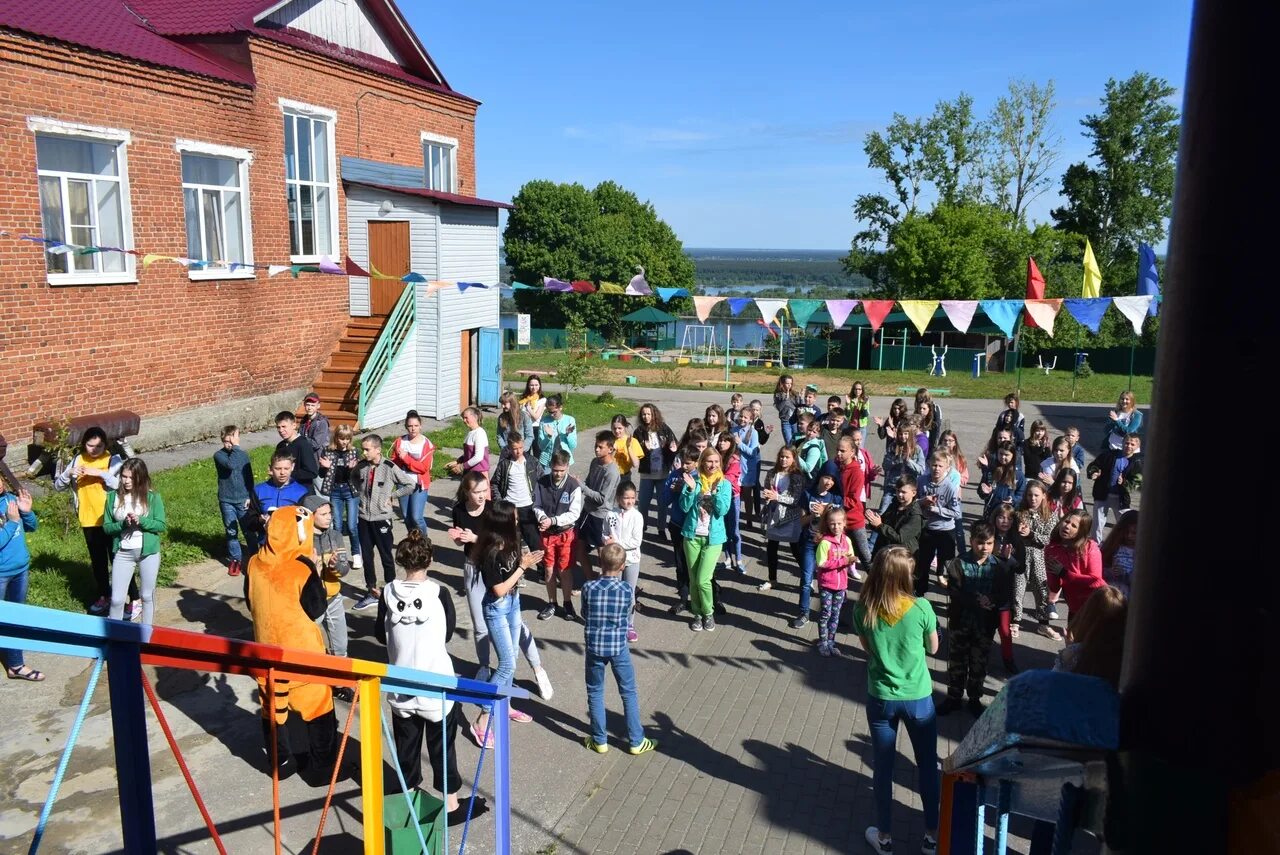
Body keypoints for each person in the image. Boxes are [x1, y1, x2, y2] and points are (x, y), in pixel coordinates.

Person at [376, 530, 486, 823]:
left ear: (400, 559)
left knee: (407, 748)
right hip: (436, 686)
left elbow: (378, 633)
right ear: (431, 559)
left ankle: (409, 802)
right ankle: (450, 806)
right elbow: (447, 632)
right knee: (441, 748)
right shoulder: (439, 593)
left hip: (401, 687)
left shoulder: (387, 593)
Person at [855, 546, 940, 855]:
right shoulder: (922, 608)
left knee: (883, 768)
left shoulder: (863, 608)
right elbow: (933, 649)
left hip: (881, 698)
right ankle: (932, 835)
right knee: (928, 766)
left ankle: (886, 837)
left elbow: (868, 648)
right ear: (907, 575)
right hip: (918, 697)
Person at [249, 505, 336, 783]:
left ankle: (281, 763)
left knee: (273, 709)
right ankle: (321, 769)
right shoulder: (301, 568)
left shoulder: (253, 563)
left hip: (266, 656)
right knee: (319, 708)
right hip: (302, 656)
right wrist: (322, 572)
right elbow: (317, 611)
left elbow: (251, 602)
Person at [449, 472, 554, 699]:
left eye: (485, 491)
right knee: (480, 626)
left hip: (496, 566)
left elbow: (499, 543)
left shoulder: (493, 510)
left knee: (517, 625)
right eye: (477, 492)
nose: (482, 496)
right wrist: (459, 538)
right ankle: (485, 667)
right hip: (474, 568)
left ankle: (538, 668)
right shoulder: (458, 510)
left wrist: (475, 539)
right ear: (467, 491)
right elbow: (466, 541)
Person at [469, 500, 542, 742]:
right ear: (503, 522)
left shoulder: (513, 538)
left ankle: (505, 704)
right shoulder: (490, 551)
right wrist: (523, 567)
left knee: (513, 656)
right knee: (506, 664)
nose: (518, 520)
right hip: (497, 608)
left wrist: (527, 559)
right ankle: (483, 718)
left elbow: (512, 572)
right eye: (514, 517)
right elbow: (499, 589)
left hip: (514, 602)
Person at [581, 542, 658, 756]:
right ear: (623, 566)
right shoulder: (626, 590)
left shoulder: (588, 587)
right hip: (618, 647)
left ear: (599, 562)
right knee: (628, 692)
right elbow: (626, 614)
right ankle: (636, 740)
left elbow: (585, 613)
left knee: (595, 691)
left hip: (594, 646)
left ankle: (599, 740)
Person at [54, 427, 135, 615]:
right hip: (88, 519)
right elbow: (58, 486)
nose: (94, 450)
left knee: (119, 559)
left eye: (98, 446)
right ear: (84, 444)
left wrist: (99, 473)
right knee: (98, 562)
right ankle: (104, 596)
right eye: (90, 446)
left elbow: (120, 484)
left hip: (110, 519)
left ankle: (131, 598)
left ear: (105, 445)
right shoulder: (77, 460)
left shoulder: (111, 460)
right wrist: (68, 474)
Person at [939, 521, 1013, 717]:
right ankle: (954, 697)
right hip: (960, 622)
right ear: (971, 541)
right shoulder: (958, 563)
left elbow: (1004, 593)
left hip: (984, 626)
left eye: (989, 543)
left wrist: (992, 599)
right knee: (957, 662)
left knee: (979, 663)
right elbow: (955, 591)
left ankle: (974, 698)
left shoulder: (999, 566)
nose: (985, 548)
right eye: (980, 543)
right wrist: (976, 601)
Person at [351, 434, 417, 611]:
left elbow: (410, 484)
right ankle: (371, 591)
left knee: (386, 556)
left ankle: (390, 591)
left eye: (367, 449)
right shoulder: (361, 466)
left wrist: (392, 496)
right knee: (367, 556)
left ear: (378, 450)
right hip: (364, 518)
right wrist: (360, 494)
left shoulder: (389, 467)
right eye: (363, 449)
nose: (364, 452)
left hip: (382, 519)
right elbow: (354, 478)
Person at [102, 458, 166, 625]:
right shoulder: (111, 498)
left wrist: (141, 521)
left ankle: (146, 633)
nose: (127, 481)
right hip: (123, 552)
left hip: (148, 553)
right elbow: (107, 528)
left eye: (131, 477)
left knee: (146, 595)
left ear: (141, 477)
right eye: (124, 476)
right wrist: (123, 524)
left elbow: (161, 525)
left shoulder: (152, 497)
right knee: (116, 599)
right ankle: (115, 635)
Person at [302, 494, 351, 691]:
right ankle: (309, 685)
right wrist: (311, 567)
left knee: (340, 645)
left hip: (333, 598)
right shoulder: (301, 540)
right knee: (308, 645)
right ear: (311, 516)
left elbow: (345, 569)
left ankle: (340, 685)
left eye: (330, 513)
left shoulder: (335, 536)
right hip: (311, 602)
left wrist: (335, 566)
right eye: (323, 514)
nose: (329, 517)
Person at [680, 446, 732, 632]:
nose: (713, 465)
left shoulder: (724, 484)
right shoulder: (694, 480)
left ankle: (708, 612)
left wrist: (715, 492)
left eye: (716, 462)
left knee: (703, 579)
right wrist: (691, 489)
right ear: (702, 462)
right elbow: (684, 507)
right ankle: (697, 613)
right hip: (692, 536)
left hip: (713, 539)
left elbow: (723, 510)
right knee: (693, 580)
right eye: (709, 461)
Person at [533, 451, 583, 622]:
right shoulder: (541, 483)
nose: (558, 474)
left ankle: (567, 602)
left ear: (567, 467)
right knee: (548, 570)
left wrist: (553, 520)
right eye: (555, 470)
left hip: (565, 534)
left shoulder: (573, 485)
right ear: (550, 467)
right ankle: (552, 602)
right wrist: (541, 517)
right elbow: (537, 505)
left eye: (562, 470)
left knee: (565, 570)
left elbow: (574, 513)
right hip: (547, 535)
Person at [1, 485, 42, 681]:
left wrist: (27, 513)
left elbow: (32, 527)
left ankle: (15, 665)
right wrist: (12, 522)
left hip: (20, 570)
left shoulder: (11, 500)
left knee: (15, 618)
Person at [1053, 585, 1127, 689]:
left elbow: (1054, 685)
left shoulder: (1076, 654)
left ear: (1087, 614)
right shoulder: (1128, 656)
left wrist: (1070, 649)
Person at [793, 470, 839, 629]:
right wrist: (813, 515)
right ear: (819, 477)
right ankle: (804, 613)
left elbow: (838, 524)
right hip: (809, 544)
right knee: (806, 580)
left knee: (828, 583)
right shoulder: (807, 494)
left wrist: (826, 512)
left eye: (833, 480)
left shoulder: (835, 498)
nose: (829, 482)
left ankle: (832, 614)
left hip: (827, 546)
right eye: (827, 477)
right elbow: (801, 522)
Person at [759, 446, 807, 592]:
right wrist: (767, 497)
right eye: (781, 456)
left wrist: (777, 497)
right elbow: (768, 490)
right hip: (775, 516)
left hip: (790, 517)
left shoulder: (797, 476)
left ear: (793, 459)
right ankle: (772, 579)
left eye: (787, 457)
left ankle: (807, 579)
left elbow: (796, 499)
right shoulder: (772, 473)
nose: (783, 459)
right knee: (772, 548)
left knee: (796, 550)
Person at [1045, 509, 1105, 626]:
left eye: (1074, 526)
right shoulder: (1052, 548)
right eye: (1066, 521)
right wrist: (1053, 574)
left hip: (1094, 606)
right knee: (1072, 642)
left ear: (1081, 531)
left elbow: (1096, 581)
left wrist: (1064, 573)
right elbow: (1055, 587)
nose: (1067, 526)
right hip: (1074, 607)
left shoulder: (1090, 547)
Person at [915, 451, 962, 597]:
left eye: (940, 466)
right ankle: (920, 592)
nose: (936, 468)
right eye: (934, 465)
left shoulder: (949, 487)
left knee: (948, 564)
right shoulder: (922, 480)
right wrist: (922, 502)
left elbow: (956, 513)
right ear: (929, 465)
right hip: (927, 528)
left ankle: (953, 595)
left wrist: (936, 509)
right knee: (922, 563)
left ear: (947, 468)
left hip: (945, 530)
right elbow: (913, 501)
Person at [575, 431, 621, 583]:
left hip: (600, 516)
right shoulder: (595, 462)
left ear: (610, 449)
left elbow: (602, 499)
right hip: (587, 512)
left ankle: (605, 582)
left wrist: (581, 487)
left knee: (603, 553)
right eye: (596, 446)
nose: (596, 449)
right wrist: (580, 485)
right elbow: (588, 482)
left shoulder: (612, 472)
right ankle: (589, 579)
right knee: (579, 548)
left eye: (600, 447)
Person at [1017, 482, 1061, 639]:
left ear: (1044, 496)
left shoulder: (1050, 515)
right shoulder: (1019, 512)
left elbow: (1049, 539)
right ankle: (1014, 623)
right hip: (1020, 557)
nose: (1033, 498)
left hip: (1039, 559)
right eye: (1029, 495)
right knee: (1017, 590)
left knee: (1042, 592)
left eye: (1036, 495)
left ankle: (1044, 625)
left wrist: (1030, 534)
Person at [318, 425, 362, 574]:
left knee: (351, 526)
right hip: (335, 490)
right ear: (336, 438)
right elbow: (322, 474)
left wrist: (355, 468)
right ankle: (339, 555)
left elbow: (360, 476)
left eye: (347, 439)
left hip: (350, 491)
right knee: (337, 525)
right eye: (342, 438)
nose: (344, 442)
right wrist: (324, 467)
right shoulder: (328, 451)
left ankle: (356, 554)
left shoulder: (354, 452)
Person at [989, 503, 1027, 674]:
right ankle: (981, 658)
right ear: (995, 518)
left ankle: (1008, 659)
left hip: (1005, 594)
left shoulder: (1017, 541)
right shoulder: (988, 536)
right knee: (986, 629)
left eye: (1010, 518)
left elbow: (1020, 568)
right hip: (987, 590)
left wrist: (1009, 558)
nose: (1005, 521)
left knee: (1005, 631)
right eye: (1001, 517)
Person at [214, 425, 257, 577]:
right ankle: (235, 559)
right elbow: (230, 464)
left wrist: (251, 496)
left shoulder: (242, 455)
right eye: (227, 441)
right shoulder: (219, 455)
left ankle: (255, 557)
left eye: (233, 441)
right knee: (231, 531)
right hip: (227, 500)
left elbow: (249, 476)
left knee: (249, 530)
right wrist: (236, 447)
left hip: (243, 499)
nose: (230, 445)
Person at [491, 433, 543, 554]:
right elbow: (494, 483)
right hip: (510, 508)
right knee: (512, 542)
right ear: (509, 448)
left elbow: (542, 481)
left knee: (535, 542)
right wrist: (500, 502)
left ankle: (542, 571)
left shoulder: (532, 461)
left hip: (528, 507)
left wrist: (541, 502)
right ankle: (516, 569)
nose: (518, 451)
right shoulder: (504, 464)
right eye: (515, 448)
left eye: (520, 447)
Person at [632, 403, 679, 537]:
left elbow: (674, 447)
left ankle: (661, 529)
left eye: (649, 414)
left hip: (663, 473)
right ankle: (642, 527)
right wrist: (643, 447)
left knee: (662, 504)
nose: (646, 417)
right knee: (643, 504)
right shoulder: (639, 431)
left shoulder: (664, 429)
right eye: (643, 414)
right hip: (647, 473)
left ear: (654, 415)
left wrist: (672, 449)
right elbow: (636, 452)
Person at [605, 483, 644, 642]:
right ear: (618, 498)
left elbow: (636, 541)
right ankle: (615, 622)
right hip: (614, 560)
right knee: (615, 592)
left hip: (631, 559)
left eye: (632, 498)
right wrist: (606, 540)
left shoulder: (637, 516)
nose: (629, 501)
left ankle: (629, 624)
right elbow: (605, 532)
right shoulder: (611, 514)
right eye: (626, 498)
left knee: (629, 592)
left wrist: (617, 543)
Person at [1086, 433, 1143, 542]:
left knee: (1125, 522)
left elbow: (1137, 482)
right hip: (1102, 494)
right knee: (1098, 523)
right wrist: (1093, 472)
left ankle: (1124, 543)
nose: (1129, 446)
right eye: (1127, 443)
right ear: (1122, 443)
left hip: (1121, 498)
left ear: (1137, 447)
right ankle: (1095, 545)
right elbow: (1095, 464)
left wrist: (1124, 483)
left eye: (1132, 444)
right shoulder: (1109, 455)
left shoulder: (1136, 463)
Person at [663, 448, 699, 615]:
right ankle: (683, 599)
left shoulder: (700, 478)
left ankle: (710, 598)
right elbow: (663, 500)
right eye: (682, 462)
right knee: (681, 564)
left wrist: (688, 490)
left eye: (688, 463)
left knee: (698, 566)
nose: (684, 466)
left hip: (695, 529)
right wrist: (672, 490)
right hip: (677, 525)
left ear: (697, 463)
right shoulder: (675, 475)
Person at [813, 506, 854, 656]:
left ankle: (831, 642)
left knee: (836, 615)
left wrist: (850, 561)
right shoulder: (825, 543)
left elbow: (850, 558)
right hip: (826, 585)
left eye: (839, 523)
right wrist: (843, 561)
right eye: (832, 524)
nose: (836, 527)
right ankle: (822, 642)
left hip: (841, 585)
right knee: (825, 613)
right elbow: (821, 564)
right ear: (827, 524)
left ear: (844, 523)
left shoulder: (847, 540)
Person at [834, 435, 875, 582]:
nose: (838, 453)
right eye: (837, 450)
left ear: (852, 452)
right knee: (839, 556)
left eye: (842, 451)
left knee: (865, 556)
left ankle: (879, 584)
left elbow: (852, 499)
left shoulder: (856, 471)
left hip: (853, 520)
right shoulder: (836, 466)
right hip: (838, 522)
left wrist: (834, 502)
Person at [392, 410, 436, 535]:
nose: (413, 429)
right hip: (403, 483)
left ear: (420, 426)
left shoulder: (426, 444)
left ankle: (424, 541)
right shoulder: (400, 441)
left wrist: (405, 458)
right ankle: (413, 541)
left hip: (419, 484)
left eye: (416, 426)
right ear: (406, 426)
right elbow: (394, 463)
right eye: (410, 426)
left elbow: (423, 468)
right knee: (406, 516)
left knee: (416, 517)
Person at [866, 475, 923, 559]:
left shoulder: (915, 515)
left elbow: (900, 538)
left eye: (904, 492)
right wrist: (873, 520)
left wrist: (879, 525)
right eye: (898, 491)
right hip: (886, 551)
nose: (899, 494)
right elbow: (883, 523)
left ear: (914, 493)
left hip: (900, 557)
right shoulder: (895, 504)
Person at [879, 421, 925, 515]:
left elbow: (921, 470)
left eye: (906, 434)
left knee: (906, 514)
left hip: (908, 488)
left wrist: (909, 461)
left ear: (910, 434)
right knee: (883, 512)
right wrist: (896, 460)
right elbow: (885, 466)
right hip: (893, 486)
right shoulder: (893, 447)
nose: (903, 436)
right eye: (900, 434)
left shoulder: (917, 449)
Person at [716, 431, 744, 574]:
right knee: (724, 530)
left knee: (734, 531)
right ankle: (727, 559)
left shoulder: (734, 459)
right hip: (719, 497)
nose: (721, 443)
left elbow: (728, 478)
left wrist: (715, 479)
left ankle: (738, 560)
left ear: (731, 443)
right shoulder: (716, 457)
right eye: (720, 440)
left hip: (733, 498)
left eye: (725, 441)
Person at [977, 441, 1026, 517]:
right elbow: (981, 492)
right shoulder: (991, 470)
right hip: (991, 513)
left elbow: (1022, 496)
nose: (1003, 457)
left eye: (1006, 455)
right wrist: (985, 492)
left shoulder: (1019, 475)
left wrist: (1013, 500)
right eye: (1001, 454)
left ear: (1013, 456)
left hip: (1009, 515)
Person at [275, 411, 319, 492]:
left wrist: (287, 474)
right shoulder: (280, 446)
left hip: (302, 492)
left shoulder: (303, 445)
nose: (281, 430)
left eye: (284, 426)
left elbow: (312, 472)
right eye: (278, 427)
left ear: (294, 425)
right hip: (284, 492)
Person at [732, 409, 761, 531]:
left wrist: (739, 444)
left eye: (745, 418)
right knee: (735, 494)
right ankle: (734, 517)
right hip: (735, 467)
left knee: (747, 496)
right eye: (741, 416)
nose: (742, 419)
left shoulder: (753, 433)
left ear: (750, 420)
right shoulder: (734, 430)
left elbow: (753, 452)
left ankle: (749, 518)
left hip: (747, 469)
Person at [1101, 510, 1139, 597]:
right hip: (1109, 595)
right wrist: (1110, 571)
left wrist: (1125, 574)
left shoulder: (1144, 553)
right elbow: (1098, 570)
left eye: (1134, 533)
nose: (1129, 536)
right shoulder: (1112, 546)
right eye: (1126, 532)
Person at [534, 394, 577, 468]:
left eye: (554, 412)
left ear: (560, 407)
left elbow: (573, 446)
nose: (551, 415)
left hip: (564, 460)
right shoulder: (544, 421)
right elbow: (541, 446)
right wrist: (548, 437)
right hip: (547, 461)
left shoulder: (570, 420)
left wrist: (568, 435)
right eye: (549, 412)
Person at [447, 408, 490, 476]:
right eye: (463, 418)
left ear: (475, 417)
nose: (464, 420)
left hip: (478, 474)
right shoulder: (471, 433)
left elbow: (478, 457)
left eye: (466, 418)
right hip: (470, 472)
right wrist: (457, 461)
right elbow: (469, 454)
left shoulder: (479, 433)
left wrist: (461, 467)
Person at [610, 415, 644, 481]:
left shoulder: (633, 441)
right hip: (610, 476)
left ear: (625, 427)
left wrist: (628, 447)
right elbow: (605, 463)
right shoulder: (609, 440)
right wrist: (613, 451)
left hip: (624, 477)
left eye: (620, 428)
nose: (617, 431)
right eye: (614, 428)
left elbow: (635, 464)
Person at [773, 375, 802, 445]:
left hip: (795, 421)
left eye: (791, 383)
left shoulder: (794, 394)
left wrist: (800, 397)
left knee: (797, 441)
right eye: (787, 383)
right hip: (785, 421)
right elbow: (779, 408)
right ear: (782, 384)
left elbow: (799, 405)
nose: (789, 385)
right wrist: (785, 399)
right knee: (789, 443)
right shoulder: (778, 395)